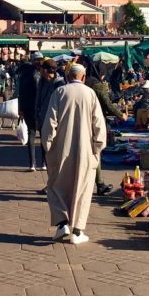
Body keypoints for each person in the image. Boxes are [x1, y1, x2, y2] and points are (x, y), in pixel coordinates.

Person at [42, 63, 106, 245]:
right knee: (82, 188)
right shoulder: (90, 94)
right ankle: (77, 230)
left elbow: (50, 122)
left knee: (57, 185)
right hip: (85, 150)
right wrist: (98, 148)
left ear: (68, 76)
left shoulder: (59, 92)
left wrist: (47, 146)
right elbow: (99, 125)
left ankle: (62, 223)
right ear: (83, 77)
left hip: (61, 149)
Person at [87, 66, 122, 196]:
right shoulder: (97, 85)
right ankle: (99, 183)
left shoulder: (87, 82)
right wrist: (120, 115)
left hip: (83, 120)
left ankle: (96, 182)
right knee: (96, 151)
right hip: (96, 120)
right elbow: (107, 103)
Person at [35, 60, 66, 171]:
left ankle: (56, 178)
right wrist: (37, 117)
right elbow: (38, 100)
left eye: (41, 68)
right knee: (45, 147)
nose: (39, 71)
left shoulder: (60, 84)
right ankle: (49, 177)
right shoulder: (42, 82)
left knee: (56, 150)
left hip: (56, 122)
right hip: (43, 119)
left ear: (45, 70)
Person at [17, 55, 42, 171]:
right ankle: (44, 162)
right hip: (35, 108)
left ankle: (32, 163)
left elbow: (20, 93)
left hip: (26, 107)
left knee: (31, 134)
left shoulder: (22, 75)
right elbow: (38, 93)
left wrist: (20, 108)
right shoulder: (35, 74)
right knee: (43, 135)